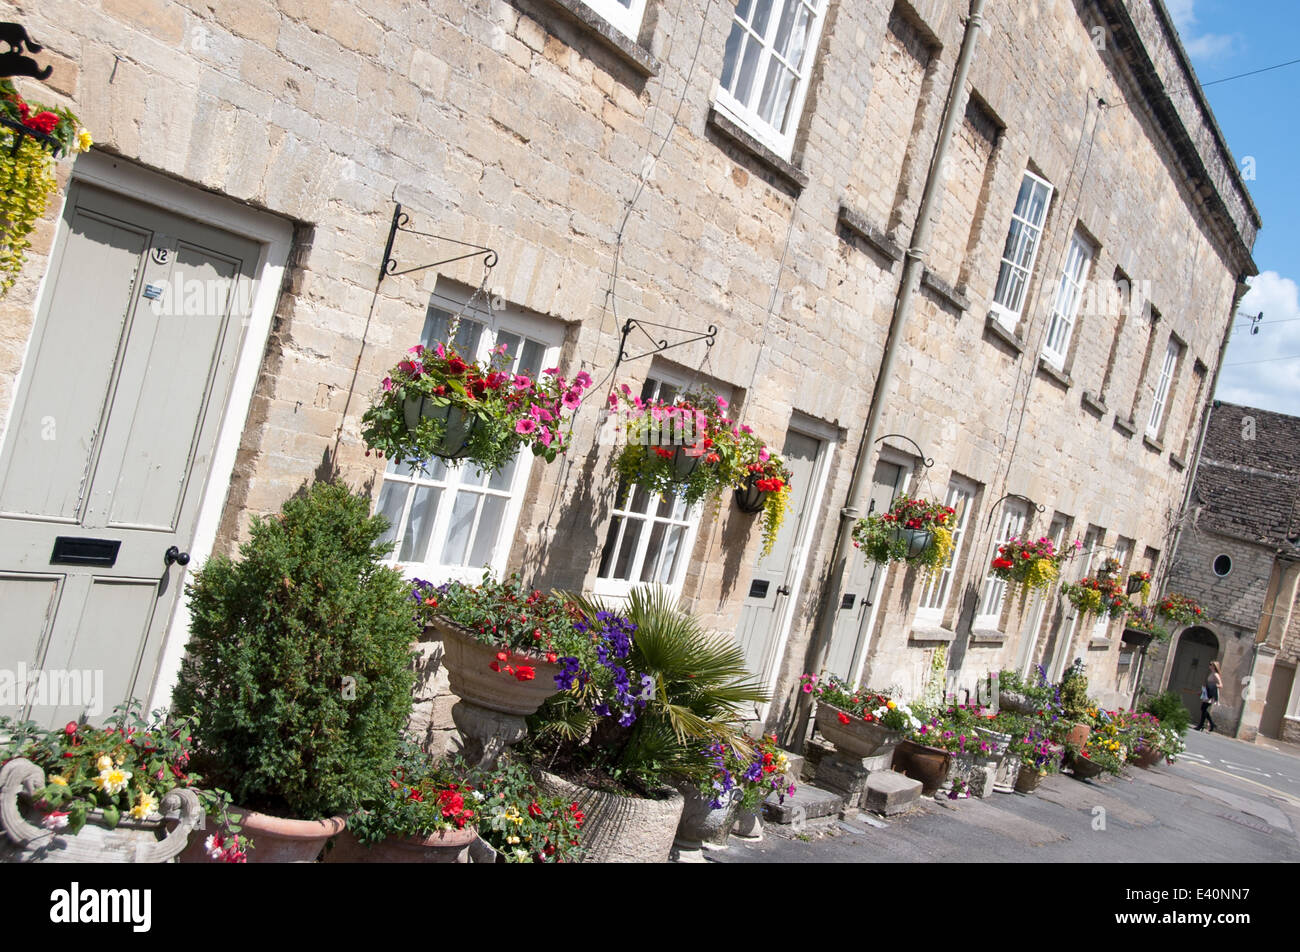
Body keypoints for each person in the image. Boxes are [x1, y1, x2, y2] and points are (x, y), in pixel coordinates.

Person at [1197, 660, 1222, 732]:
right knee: (1203, 708)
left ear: (1214, 666)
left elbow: (1221, 685)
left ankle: (1202, 725)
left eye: (1211, 664)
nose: (1209, 665)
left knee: (1203, 708)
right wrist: (1202, 691)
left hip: (1211, 693)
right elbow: (1208, 685)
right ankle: (1210, 724)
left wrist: (1212, 685)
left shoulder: (1215, 675)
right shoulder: (1212, 673)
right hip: (1208, 692)